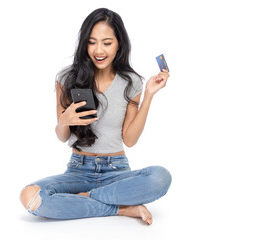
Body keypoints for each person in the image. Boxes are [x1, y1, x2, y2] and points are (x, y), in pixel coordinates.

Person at [20, 8, 171, 225]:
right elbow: (62, 136)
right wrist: (64, 121)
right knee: (29, 196)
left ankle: (81, 202)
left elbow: (129, 140)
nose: (98, 50)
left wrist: (148, 96)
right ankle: (120, 209)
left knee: (161, 177)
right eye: (92, 42)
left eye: (107, 43)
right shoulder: (67, 78)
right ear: (84, 43)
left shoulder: (131, 82)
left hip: (116, 171)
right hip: (78, 170)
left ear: (119, 44)